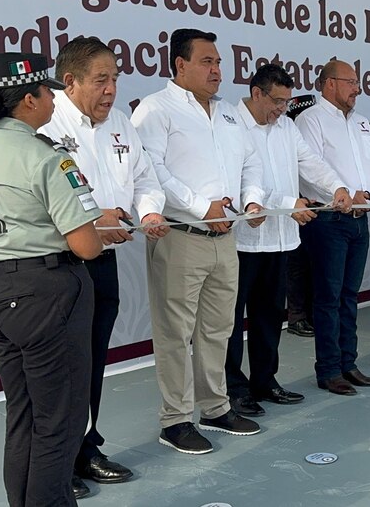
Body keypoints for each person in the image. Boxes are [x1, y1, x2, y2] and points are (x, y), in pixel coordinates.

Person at [0, 52, 103, 506]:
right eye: (47, 94)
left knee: (22, 416)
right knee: (58, 422)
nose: (54, 103)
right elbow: (87, 247)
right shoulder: (46, 159)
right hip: (46, 296)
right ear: (28, 100)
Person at [39, 37, 168, 498]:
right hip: (59, 266)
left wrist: (149, 211)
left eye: (115, 79)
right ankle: (58, 461)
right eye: (102, 80)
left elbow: (144, 177)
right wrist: (96, 219)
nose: (112, 90)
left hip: (104, 262)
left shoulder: (120, 125)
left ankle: (86, 448)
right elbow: (46, 195)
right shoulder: (45, 121)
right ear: (69, 81)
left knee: (92, 359)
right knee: (60, 367)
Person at [133, 28, 264, 455]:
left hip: (226, 239)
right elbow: (148, 170)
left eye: (219, 62)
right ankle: (174, 421)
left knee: (218, 329)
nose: (217, 70)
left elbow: (251, 162)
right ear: (180, 65)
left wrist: (252, 200)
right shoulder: (156, 109)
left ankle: (215, 408)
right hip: (181, 236)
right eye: (207, 62)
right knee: (175, 333)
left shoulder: (228, 113)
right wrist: (197, 206)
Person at [225, 65, 352, 416]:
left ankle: (265, 381)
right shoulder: (230, 124)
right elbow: (235, 182)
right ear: (256, 93)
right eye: (277, 101)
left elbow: (310, 162)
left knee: (269, 316)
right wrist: (285, 205)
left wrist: (336, 187)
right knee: (233, 322)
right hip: (242, 242)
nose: (282, 109)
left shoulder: (285, 127)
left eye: (286, 101)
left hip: (280, 239)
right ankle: (234, 390)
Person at [295, 59, 370, 395]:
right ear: (329, 84)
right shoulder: (310, 120)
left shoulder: (362, 123)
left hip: (359, 221)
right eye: (351, 82)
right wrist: (339, 190)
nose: (358, 88)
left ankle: (348, 363)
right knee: (327, 298)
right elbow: (310, 167)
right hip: (329, 221)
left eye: (357, 82)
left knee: (348, 297)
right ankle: (328, 370)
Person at [284, 94, 320, 339]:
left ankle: (308, 314)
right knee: (295, 268)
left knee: (310, 266)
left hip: (311, 209)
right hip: (290, 211)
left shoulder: (302, 139)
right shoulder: (286, 135)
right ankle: (296, 317)